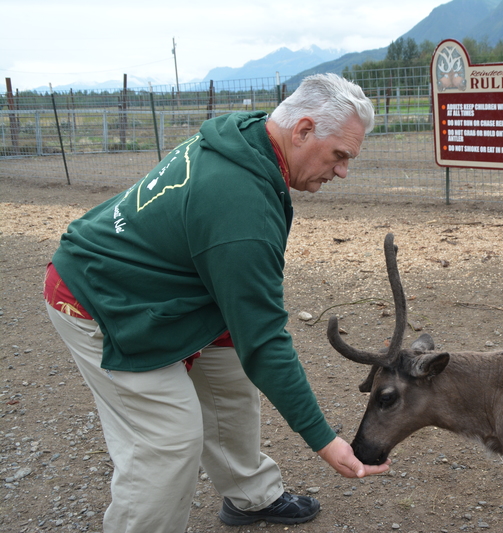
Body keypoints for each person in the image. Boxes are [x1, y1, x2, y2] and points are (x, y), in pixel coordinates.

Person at [43, 73, 390, 533]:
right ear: (303, 130)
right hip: (102, 298)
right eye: (339, 155)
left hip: (168, 288)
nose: (343, 170)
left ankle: (249, 497)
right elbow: (265, 341)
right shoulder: (241, 205)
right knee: (168, 438)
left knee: (230, 381)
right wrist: (325, 441)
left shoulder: (248, 135)